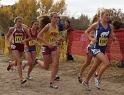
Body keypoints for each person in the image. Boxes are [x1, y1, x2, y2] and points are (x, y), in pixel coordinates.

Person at [82, 9, 116, 91]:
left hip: (103, 48)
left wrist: (114, 38)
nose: (108, 16)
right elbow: (86, 32)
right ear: (102, 16)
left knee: (94, 67)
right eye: (106, 15)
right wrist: (91, 38)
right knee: (107, 63)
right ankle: (98, 78)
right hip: (95, 47)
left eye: (109, 15)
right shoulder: (97, 24)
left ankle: (86, 81)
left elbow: (112, 35)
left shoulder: (110, 26)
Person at [35, 12, 64, 89]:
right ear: (51, 18)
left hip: (54, 47)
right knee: (46, 67)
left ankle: (52, 82)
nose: (56, 19)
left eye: (57, 17)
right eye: (54, 17)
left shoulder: (57, 27)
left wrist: (59, 40)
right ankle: (37, 60)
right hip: (46, 47)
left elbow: (55, 38)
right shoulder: (47, 26)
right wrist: (47, 44)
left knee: (56, 63)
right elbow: (39, 36)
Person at [6, 16, 31, 84]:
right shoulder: (12, 29)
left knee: (17, 63)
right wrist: (9, 44)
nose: (20, 23)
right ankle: (21, 78)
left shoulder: (24, 29)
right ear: (15, 22)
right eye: (18, 22)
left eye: (21, 22)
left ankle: (11, 64)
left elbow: (30, 37)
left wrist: (24, 40)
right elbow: (7, 37)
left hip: (21, 46)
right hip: (14, 46)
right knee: (19, 61)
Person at [78, 14, 101, 83]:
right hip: (91, 46)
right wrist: (95, 36)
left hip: (98, 47)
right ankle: (80, 74)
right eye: (100, 19)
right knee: (87, 62)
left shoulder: (101, 27)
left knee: (100, 61)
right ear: (96, 20)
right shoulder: (94, 27)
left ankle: (96, 73)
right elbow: (89, 34)